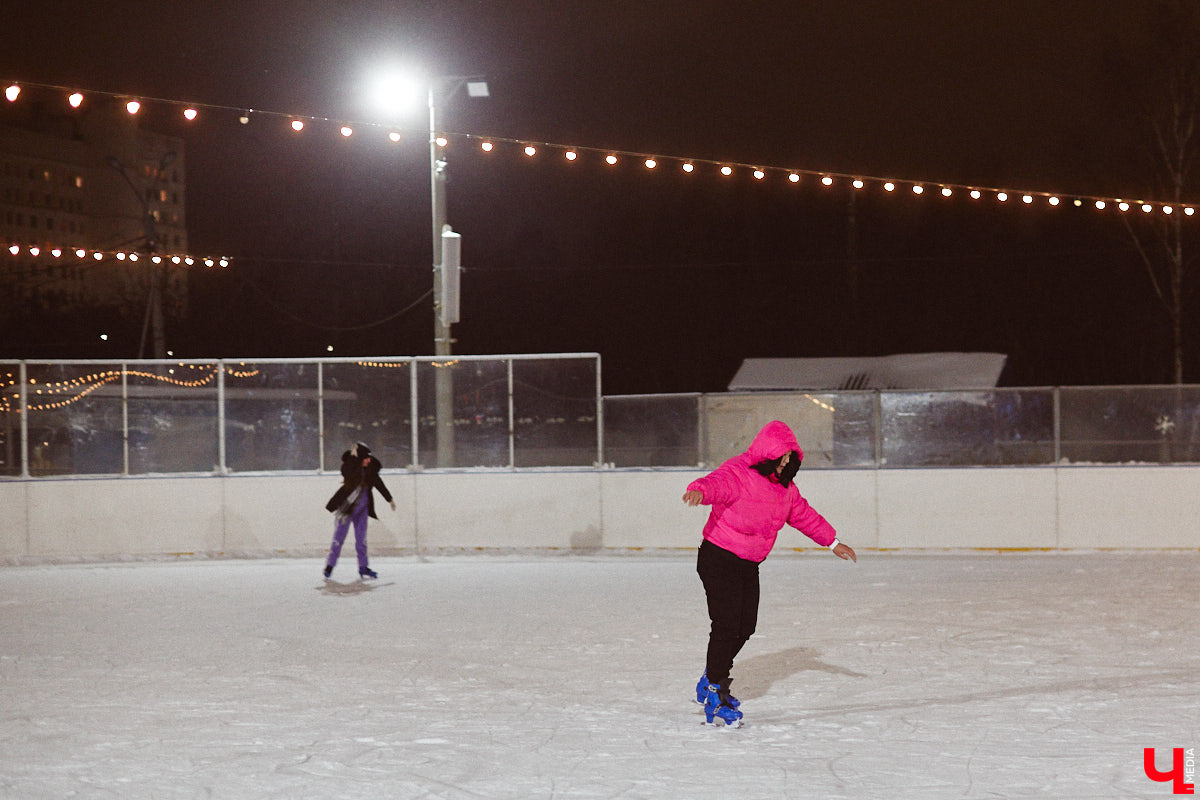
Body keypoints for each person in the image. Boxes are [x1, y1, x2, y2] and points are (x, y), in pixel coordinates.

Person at [682, 419, 857, 727]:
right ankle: (715, 689)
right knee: (725, 625)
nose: (785, 465)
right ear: (767, 455)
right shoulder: (739, 472)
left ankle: (711, 675)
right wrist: (698, 490)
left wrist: (832, 542)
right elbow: (716, 483)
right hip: (719, 558)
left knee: (745, 626)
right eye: (781, 459)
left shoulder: (785, 490)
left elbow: (804, 515)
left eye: (790, 460)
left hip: (748, 564)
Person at [323, 441, 394, 580]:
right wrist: (352, 456)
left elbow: (379, 484)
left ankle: (363, 567)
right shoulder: (351, 470)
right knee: (339, 538)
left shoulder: (370, 470)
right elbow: (346, 469)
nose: (369, 460)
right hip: (346, 509)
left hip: (362, 510)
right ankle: (330, 566)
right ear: (359, 458)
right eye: (366, 458)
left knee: (361, 541)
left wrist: (389, 498)